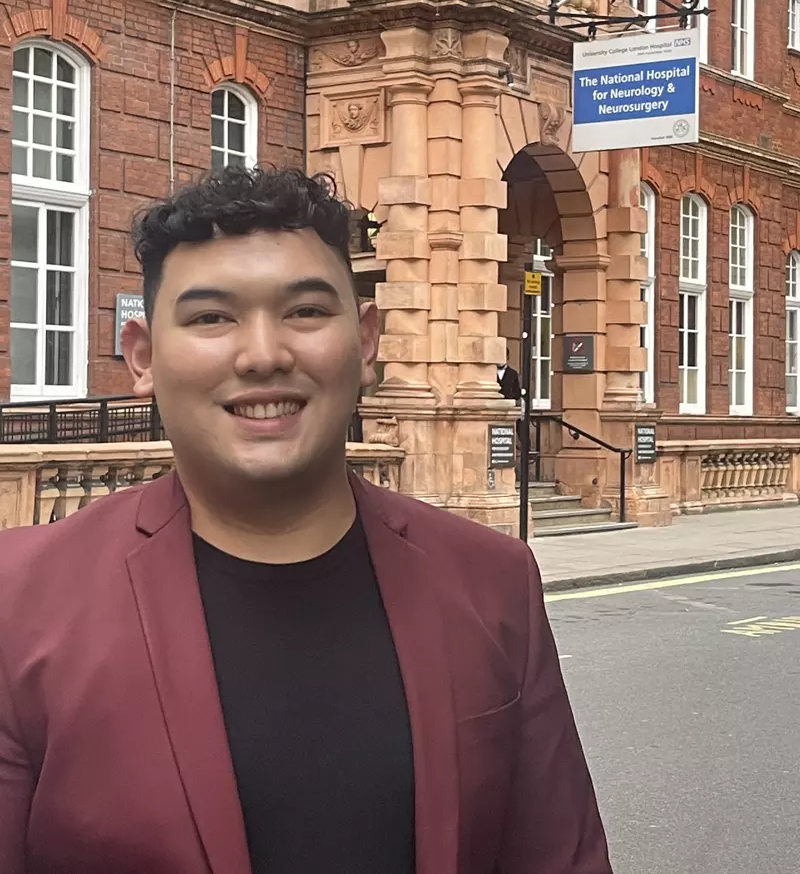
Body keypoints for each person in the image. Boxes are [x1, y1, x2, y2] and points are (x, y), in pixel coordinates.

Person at [0, 167, 613, 874]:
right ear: (142, 357)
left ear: (366, 338)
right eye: (211, 317)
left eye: (305, 312)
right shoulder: (23, 602)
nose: (264, 354)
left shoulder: (493, 582)